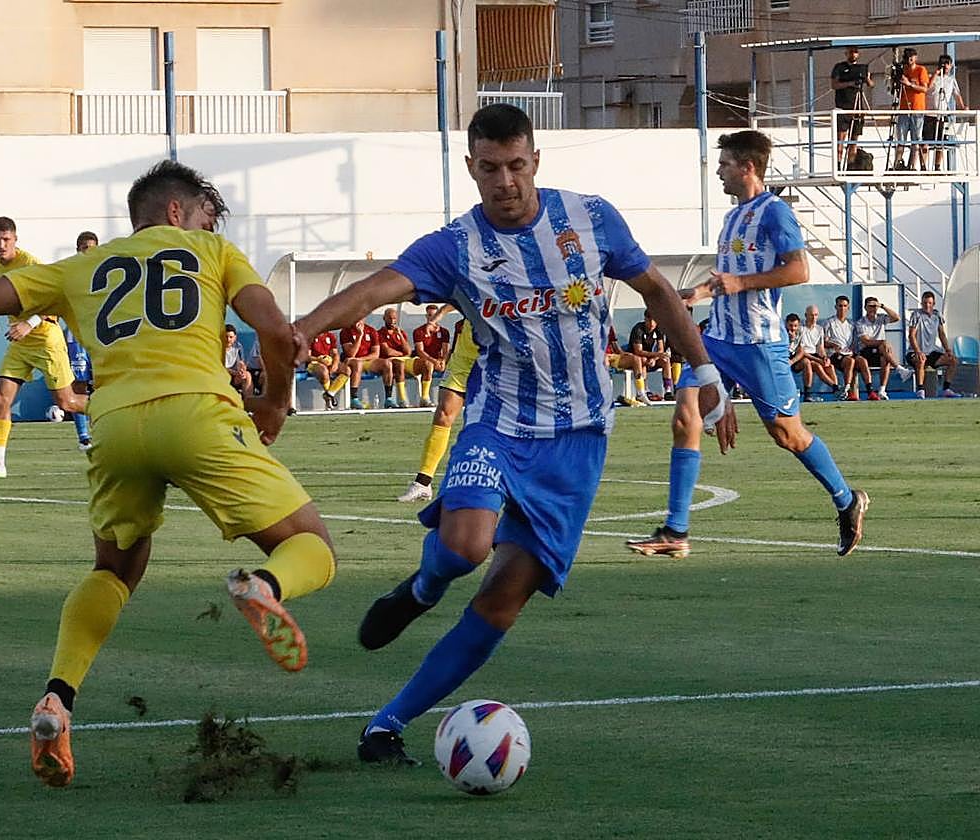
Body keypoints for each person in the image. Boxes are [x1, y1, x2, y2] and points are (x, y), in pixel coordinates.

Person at [0, 160, 338, 788]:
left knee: (114, 570)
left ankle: (58, 698)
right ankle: (264, 585)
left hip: (112, 428)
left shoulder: (82, 267)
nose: (207, 225)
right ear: (175, 213)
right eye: (203, 215)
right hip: (198, 416)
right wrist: (273, 401)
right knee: (310, 547)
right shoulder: (211, 250)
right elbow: (272, 327)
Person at [292, 103, 724, 765]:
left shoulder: (591, 218)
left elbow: (658, 290)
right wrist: (303, 332)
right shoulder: (454, 246)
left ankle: (385, 725)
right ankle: (421, 589)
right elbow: (376, 290)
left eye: (516, 165)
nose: (505, 181)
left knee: (502, 600)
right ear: (472, 168)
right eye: (490, 168)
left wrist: (703, 369)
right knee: (466, 547)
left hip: (578, 439)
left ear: (535, 162)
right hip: (499, 422)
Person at [627, 130, 868, 561]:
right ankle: (675, 531)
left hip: (759, 343)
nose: (718, 171)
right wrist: (697, 294)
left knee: (787, 434)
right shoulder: (731, 218)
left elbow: (798, 270)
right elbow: (726, 279)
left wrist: (742, 282)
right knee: (685, 420)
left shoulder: (775, 213)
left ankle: (846, 498)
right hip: (717, 339)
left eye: (724, 164)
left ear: (747, 167)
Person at [0, 217, 86, 478]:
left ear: (15, 240)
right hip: (20, 344)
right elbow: (4, 300)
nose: (1, 245)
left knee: (67, 402)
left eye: (6, 239)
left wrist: (29, 324)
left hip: (45, 339)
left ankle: (116, 408)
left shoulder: (32, 264)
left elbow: (56, 298)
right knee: (1, 398)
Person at [396, 310, 481, 503]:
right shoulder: (475, 282)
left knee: (482, 424)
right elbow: (456, 291)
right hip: (464, 359)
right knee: (443, 415)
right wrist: (437, 317)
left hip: (495, 361)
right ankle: (423, 483)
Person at [66, 231, 100, 451]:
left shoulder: (106, 271)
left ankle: (104, 430)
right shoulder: (70, 273)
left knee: (103, 383)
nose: (89, 251)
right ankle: (84, 437)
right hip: (76, 335)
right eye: (85, 247)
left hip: (100, 334)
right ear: (78, 249)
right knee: (78, 384)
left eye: (92, 247)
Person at [855, 296, 912, 400]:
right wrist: (883, 342)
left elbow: (897, 318)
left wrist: (882, 306)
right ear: (865, 307)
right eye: (870, 306)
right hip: (867, 351)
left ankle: (882, 390)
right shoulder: (860, 322)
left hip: (880, 351)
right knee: (884, 346)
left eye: (874, 306)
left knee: (885, 358)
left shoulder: (881, 318)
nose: (873, 308)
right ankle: (899, 368)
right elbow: (866, 341)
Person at [906, 290, 960, 398]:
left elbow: (942, 334)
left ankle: (946, 389)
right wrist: (918, 351)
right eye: (925, 303)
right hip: (914, 352)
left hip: (931, 352)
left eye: (929, 303)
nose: (927, 305)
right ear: (921, 303)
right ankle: (920, 390)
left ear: (933, 303)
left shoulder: (937, 315)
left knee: (953, 360)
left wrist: (947, 350)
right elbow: (911, 335)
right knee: (921, 360)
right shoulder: (916, 315)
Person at [830, 45, 874, 169]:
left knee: (853, 141)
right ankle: (838, 166)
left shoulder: (861, 68)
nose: (853, 54)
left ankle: (850, 167)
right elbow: (834, 85)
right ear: (846, 53)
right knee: (840, 141)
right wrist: (850, 83)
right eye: (851, 52)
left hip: (858, 108)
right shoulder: (839, 67)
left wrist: (867, 79)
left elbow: (871, 85)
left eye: (855, 52)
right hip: (843, 108)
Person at [822, 295, 871, 400]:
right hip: (834, 355)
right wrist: (833, 344)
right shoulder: (829, 322)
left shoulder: (851, 324)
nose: (842, 308)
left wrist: (853, 348)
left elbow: (854, 342)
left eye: (845, 306)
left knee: (862, 361)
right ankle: (847, 391)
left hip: (849, 354)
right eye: (840, 306)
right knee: (850, 361)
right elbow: (823, 342)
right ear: (835, 307)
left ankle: (870, 391)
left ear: (848, 308)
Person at [925, 54, 966, 172]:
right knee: (925, 142)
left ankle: (937, 166)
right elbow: (927, 88)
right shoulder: (932, 77)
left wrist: (962, 107)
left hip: (942, 114)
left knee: (941, 142)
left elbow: (956, 95)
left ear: (951, 65)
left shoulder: (951, 80)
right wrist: (936, 74)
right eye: (943, 63)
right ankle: (924, 167)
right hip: (930, 114)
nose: (946, 66)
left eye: (948, 64)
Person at [893, 48, 929, 172]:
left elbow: (925, 89)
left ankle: (912, 165)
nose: (909, 59)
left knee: (916, 139)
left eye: (911, 56)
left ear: (915, 57)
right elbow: (895, 89)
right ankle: (897, 163)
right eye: (907, 57)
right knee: (901, 138)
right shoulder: (903, 70)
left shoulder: (921, 70)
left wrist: (910, 84)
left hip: (917, 109)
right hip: (904, 109)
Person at [409, 304, 451, 407]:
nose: (432, 318)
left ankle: (451, 400)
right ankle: (425, 398)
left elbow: (446, 350)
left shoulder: (444, 332)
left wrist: (443, 361)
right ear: (426, 316)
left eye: (434, 315)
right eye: (429, 315)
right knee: (428, 365)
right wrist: (434, 361)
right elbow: (420, 351)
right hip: (425, 361)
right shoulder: (419, 331)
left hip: (438, 362)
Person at [797, 304, 840, 401]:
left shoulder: (819, 329)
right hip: (802, 357)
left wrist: (825, 357)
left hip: (814, 355)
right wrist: (818, 360)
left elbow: (820, 347)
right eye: (811, 315)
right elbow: (801, 351)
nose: (814, 318)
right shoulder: (801, 329)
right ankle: (808, 394)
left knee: (829, 366)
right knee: (813, 364)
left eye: (816, 315)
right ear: (806, 315)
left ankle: (837, 391)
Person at [628, 308, 674, 399]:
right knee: (643, 360)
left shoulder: (658, 329)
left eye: (654, 320)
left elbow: (661, 349)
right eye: (649, 320)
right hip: (638, 359)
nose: (652, 324)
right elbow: (638, 351)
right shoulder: (638, 329)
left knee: (666, 360)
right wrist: (654, 356)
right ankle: (645, 390)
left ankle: (668, 390)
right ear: (645, 319)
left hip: (652, 358)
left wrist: (654, 358)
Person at [340, 317, 383, 410]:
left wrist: (361, 359)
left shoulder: (371, 331)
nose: (358, 319)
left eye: (361, 317)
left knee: (387, 364)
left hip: (366, 361)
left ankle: (389, 398)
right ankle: (354, 398)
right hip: (352, 363)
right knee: (357, 364)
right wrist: (360, 335)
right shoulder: (345, 331)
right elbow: (351, 354)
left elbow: (376, 354)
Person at [605, 324, 651, 406]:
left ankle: (640, 393)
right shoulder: (588, 326)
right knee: (604, 361)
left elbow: (614, 345)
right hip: (597, 358)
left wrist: (624, 354)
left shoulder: (608, 325)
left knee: (636, 359)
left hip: (611, 356)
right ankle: (605, 396)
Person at [377, 307, 413, 408]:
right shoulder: (379, 333)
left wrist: (400, 335)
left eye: (394, 319)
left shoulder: (400, 333)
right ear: (384, 318)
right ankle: (402, 399)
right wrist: (402, 354)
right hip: (388, 362)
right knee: (399, 364)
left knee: (426, 365)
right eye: (390, 318)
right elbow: (387, 351)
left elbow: (408, 351)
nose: (392, 321)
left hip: (404, 360)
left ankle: (425, 398)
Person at [306, 329, 349, 409]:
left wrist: (335, 364)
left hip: (328, 362)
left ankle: (329, 394)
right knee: (324, 370)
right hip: (314, 363)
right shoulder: (310, 336)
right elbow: (307, 357)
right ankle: (329, 397)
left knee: (346, 370)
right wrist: (318, 359)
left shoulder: (330, 336)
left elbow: (335, 353)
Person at [224, 324, 253, 398]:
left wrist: (242, 370)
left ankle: (248, 403)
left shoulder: (238, 346)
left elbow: (241, 362)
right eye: (226, 337)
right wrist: (234, 372)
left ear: (235, 338)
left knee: (247, 375)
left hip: (234, 376)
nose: (228, 340)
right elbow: (219, 367)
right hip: (223, 375)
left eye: (231, 337)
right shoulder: (218, 347)